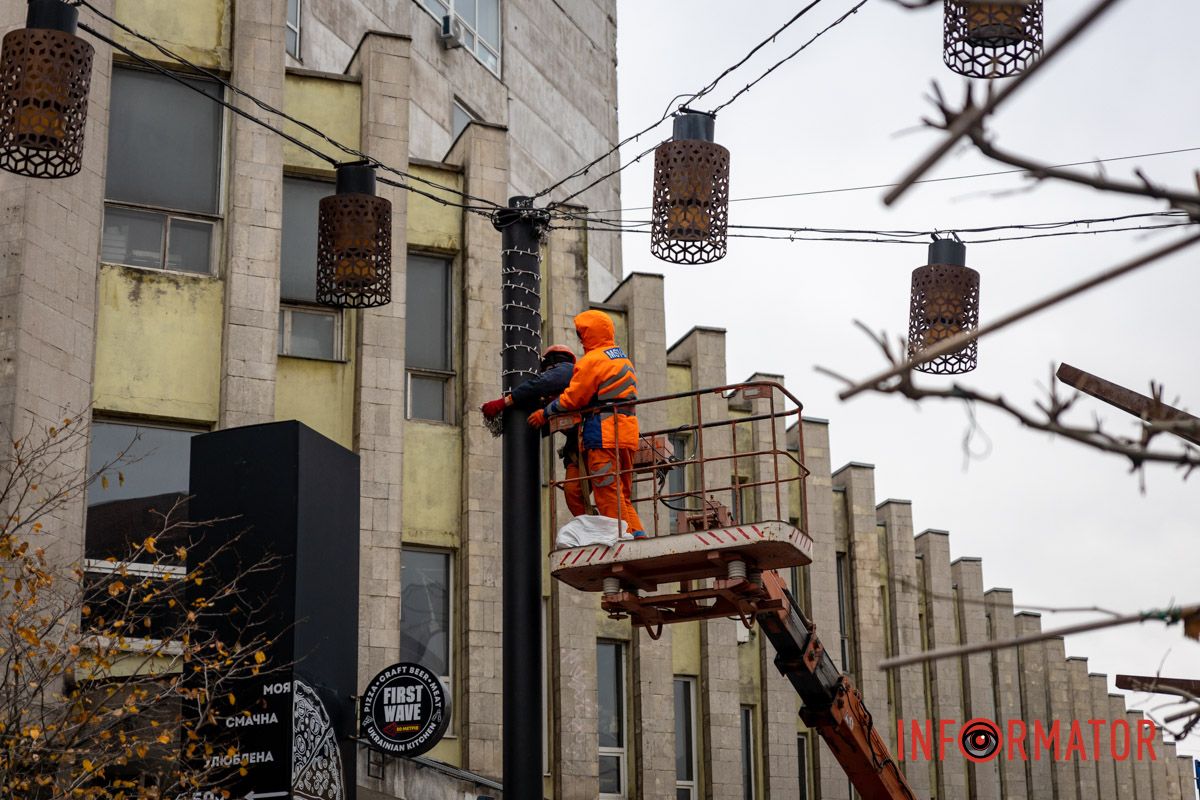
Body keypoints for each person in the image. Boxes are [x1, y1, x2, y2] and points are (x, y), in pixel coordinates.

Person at [527, 310, 646, 538]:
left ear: (591, 334)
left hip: (604, 434)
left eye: (582, 334)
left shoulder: (592, 361)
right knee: (622, 494)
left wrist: (545, 412)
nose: (581, 340)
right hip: (627, 435)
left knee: (608, 494)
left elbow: (573, 398)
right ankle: (638, 536)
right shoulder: (622, 359)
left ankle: (624, 542)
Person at [480, 345, 588, 517]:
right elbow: (545, 425)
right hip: (580, 447)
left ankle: (610, 526)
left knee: (607, 495)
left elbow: (540, 384)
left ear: (551, 362)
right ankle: (591, 526)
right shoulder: (560, 399)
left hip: (593, 442)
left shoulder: (567, 370)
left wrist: (504, 402)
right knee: (572, 492)